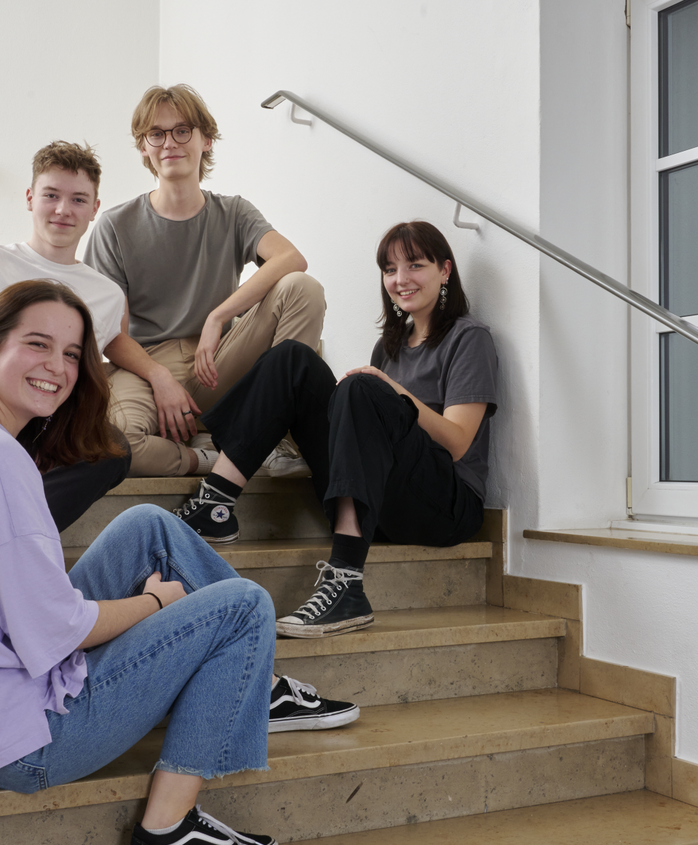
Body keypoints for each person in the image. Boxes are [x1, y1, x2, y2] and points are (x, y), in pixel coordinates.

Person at [0, 281, 352, 845]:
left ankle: (253, 681)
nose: (56, 368)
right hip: (22, 743)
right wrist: (151, 601)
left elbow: (23, 610)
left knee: (146, 525)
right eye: (37, 344)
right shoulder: (1, 460)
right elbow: (60, 630)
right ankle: (167, 832)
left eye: (69, 353)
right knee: (243, 606)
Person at [172, 222, 498, 638]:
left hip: (446, 508)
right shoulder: (390, 346)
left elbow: (456, 443)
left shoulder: (469, 339)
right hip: (383, 501)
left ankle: (345, 585)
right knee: (293, 358)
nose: (401, 280)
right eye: (390, 269)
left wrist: (391, 391)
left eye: (415, 265)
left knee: (363, 388)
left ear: (445, 270)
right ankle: (214, 505)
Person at [84, 84, 326, 478]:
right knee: (117, 441)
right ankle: (211, 454)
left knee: (302, 288)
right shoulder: (114, 225)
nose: (169, 143)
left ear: (206, 140)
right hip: (146, 367)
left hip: (221, 358)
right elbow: (111, 333)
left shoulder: (233, 213)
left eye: (183, 130)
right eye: (156, 134)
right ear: (143, 147)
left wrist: (218, 317)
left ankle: (276, 427)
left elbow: (290, 258)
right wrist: (159, 376)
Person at [0, 140, 138, 532]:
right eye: (51, 195)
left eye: (78, 199)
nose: (63, 209)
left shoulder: (109, 294)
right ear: (30, 198)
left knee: (113, 450)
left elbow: (96, 362)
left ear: (95, 209)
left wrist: (160, 377)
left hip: (51, 420)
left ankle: (20, 533)